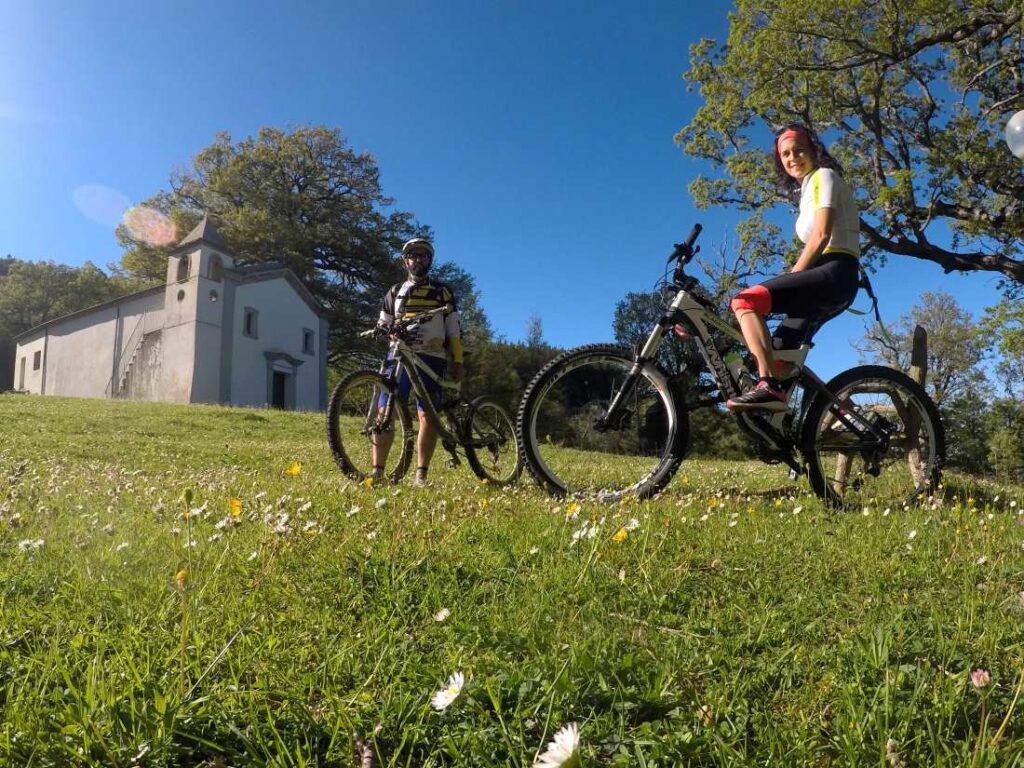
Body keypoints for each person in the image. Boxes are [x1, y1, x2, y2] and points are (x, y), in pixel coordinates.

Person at [725, 124, 861, 412]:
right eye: (785, 154)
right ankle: (839, 408)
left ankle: (768, 388)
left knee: (744, 300)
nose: (792, 157)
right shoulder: (806, 190)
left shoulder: (824, 176)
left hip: (835, 271)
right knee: (780, 357)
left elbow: (821, 235)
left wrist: (793, 275)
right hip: (828, 275)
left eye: (799, 150)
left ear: (813, 150)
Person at [371, 237, 464, 486]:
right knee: (384, 414)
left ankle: (421, 474)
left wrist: (457, 359)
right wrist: (384, 329)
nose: (418, 260)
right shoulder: (394, 291)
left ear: (430, 260)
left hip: (431, 358)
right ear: (405, 261)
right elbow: (384, 320)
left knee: (427, 416)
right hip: (398, 356)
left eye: (423, 256)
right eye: (413, 255)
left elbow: (453, 328)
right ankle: (377, 472)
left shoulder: (442, 291)